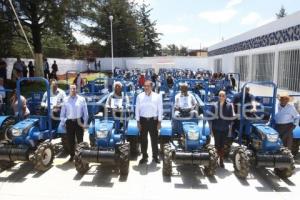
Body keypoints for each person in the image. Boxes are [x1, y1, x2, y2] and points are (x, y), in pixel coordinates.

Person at [135, 80, 163, 164]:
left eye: (148, 86)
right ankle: (144, 156)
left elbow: (160, 109)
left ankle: (155, 156)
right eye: (145, 86)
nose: (146, 87)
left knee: (154, 139)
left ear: (152, 87)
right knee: (143, 140)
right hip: (143, 120)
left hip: (153, 121)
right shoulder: (139, 96)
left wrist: (159, 122)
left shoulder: (157, 96)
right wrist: (138, 122)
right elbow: (137, 109)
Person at [60, 84, 88, 161]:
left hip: (79, 121)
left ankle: (81, 156)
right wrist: (63, 123)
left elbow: (85, 112)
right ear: (69, 90)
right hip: (69, 122)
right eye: (71, 89)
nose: (73, 90)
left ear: (76, 90)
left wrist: (85, 124)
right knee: (70, 140)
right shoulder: (65, 99)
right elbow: (62, 113)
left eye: (74, 89)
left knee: (80, 140)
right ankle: (72, 155)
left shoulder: (81, 99)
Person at [210, 91, 234, 168]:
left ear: (225, 97)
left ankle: (221, 160)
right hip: (216, 128)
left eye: (223, 95)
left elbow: (231, 117)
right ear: (218, 96)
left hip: (225, 129)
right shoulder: (214, 105)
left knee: (223, 146)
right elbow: (211, 118)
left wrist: (228, 124)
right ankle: (216, 159)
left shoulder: (229, 106)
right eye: (220, 95)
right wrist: (211, 130)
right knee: (217, 145)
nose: (221, 97)